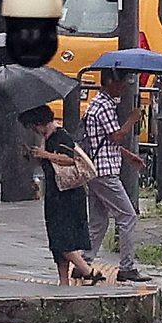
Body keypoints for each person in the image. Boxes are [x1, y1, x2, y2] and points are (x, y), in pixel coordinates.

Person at [17, 107, 103, 286]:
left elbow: (69, 159)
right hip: (55, 193)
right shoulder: (47, 139)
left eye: (34, 126)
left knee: (61, 238)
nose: (34, 130)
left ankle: (88, 272)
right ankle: (63, 281)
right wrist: (34, 154)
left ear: (41, 122)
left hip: (67, 195)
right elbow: (50, 163)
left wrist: (45, 154)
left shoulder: (60, 135)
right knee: (56, 239)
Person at [80, 68, 150, 282]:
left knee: (99, 221)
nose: (123, 87)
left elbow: (105, 140)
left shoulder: (98, 104)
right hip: (104, 171)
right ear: (109, 82)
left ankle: (84, 263)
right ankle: (126, 267)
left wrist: (128, 156)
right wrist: (132, 119)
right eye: (120, 82)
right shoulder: (103, 106)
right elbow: (116, 135)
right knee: (127, 216)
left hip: (97, 168)